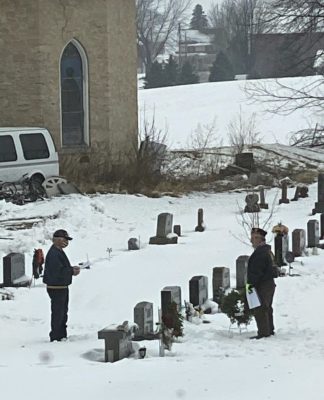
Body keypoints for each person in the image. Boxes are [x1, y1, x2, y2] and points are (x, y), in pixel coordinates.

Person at [43, 229, 80, 342]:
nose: (66, 242)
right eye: (64, 239)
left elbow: (62, 268)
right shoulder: (54, 253)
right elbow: (57, 271)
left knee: (63, 312)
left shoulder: (58, 251)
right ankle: (56, 336)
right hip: (56, 287)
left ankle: (62, 335)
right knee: (58, 312)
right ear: (57, 239)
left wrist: (70, 269)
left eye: (67, 240)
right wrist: (71, 271)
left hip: (62, 286)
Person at [247, 227, 276, 340]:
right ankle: (269, 329)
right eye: (252, 237)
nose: (252, 240)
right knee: (267, 308)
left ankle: (264, 332)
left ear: (261, 239)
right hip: (268, 283)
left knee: (261, 309)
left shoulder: (261, 253)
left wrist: (250, 285)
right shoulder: (266, 251)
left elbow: (256, 271)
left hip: (262, 284)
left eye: (254, 238)